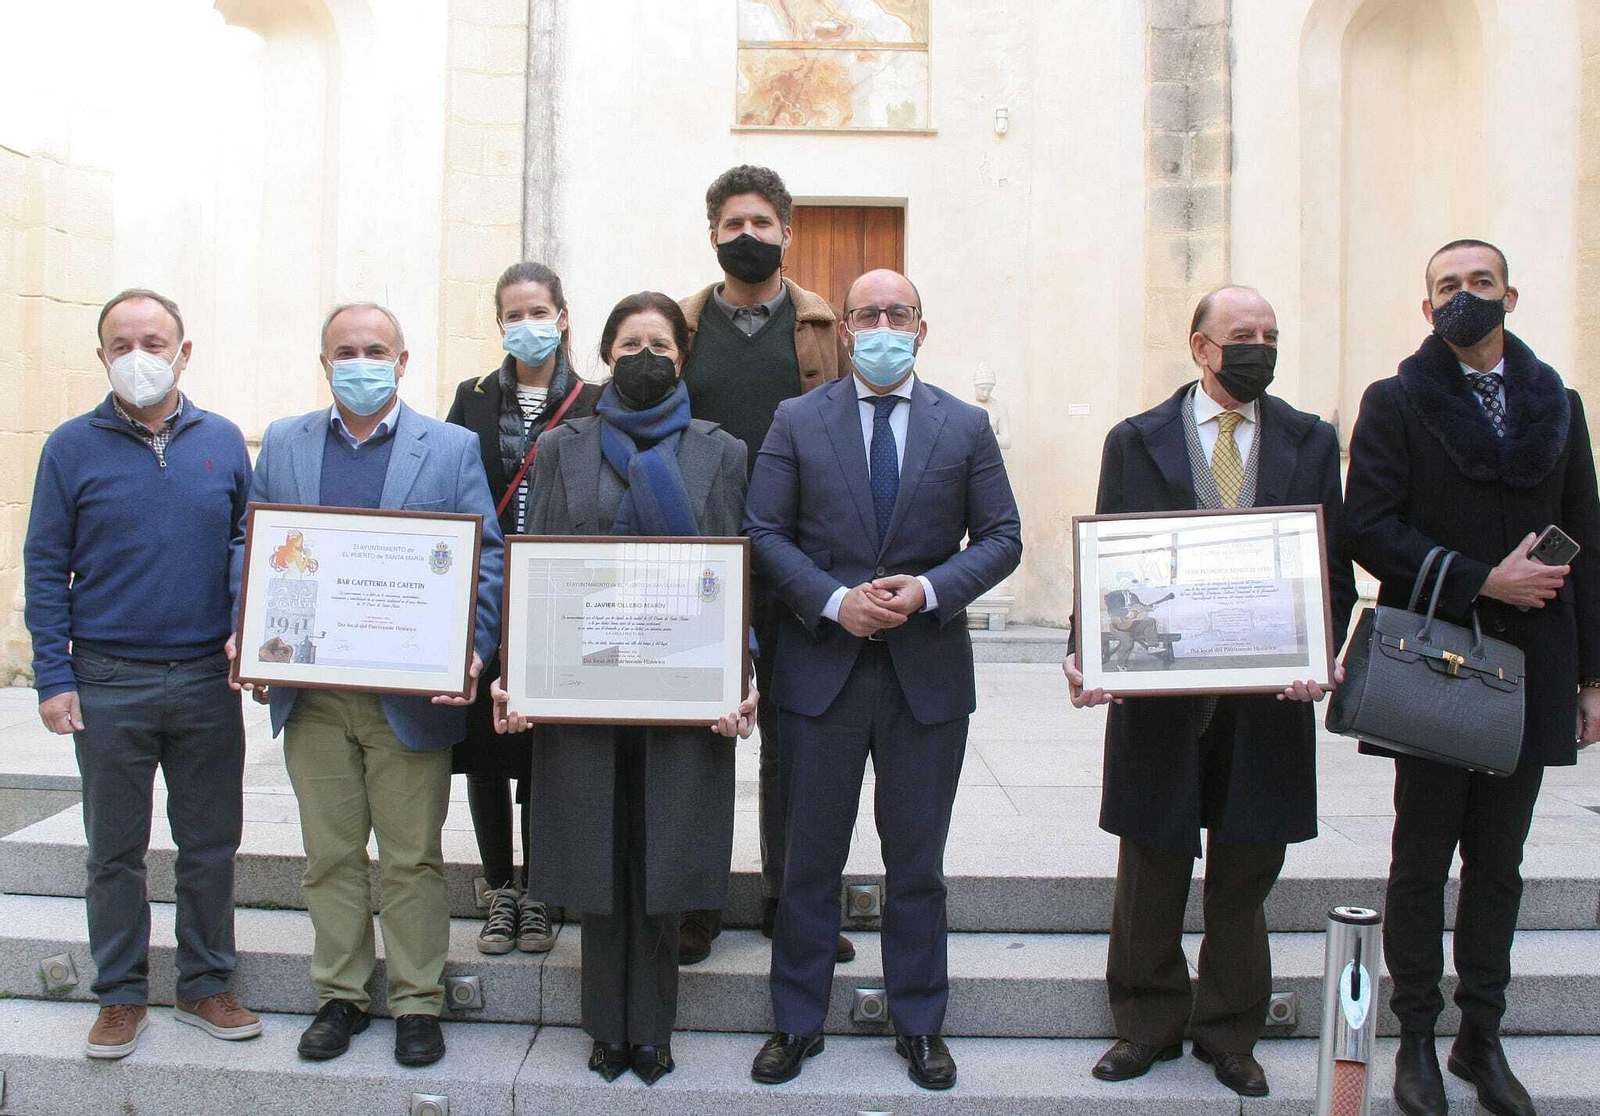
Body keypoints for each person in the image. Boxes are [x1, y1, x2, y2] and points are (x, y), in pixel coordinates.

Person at [1064, 285, 1357, 1099]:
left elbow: (1330, 575)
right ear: (1200, 347)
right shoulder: (1136, 440)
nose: (1258, 346)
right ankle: (1148, 1024)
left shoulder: (1308, 439)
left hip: (1267, 698)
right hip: (1162, 696)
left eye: (1269, 333)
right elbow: (1109, 561)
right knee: (1151, 861)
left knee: (1245, 868)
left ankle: (1231, 1032)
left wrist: (1322, 652)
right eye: (1241, 335)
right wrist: (1086, 652)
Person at [744, 269, 1022, 1090]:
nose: (880, 324)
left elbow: (1002, 536)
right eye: (865, 313)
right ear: (845, 330)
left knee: (917, 865)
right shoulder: (797, 420)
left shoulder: (964, 426)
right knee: (808, 865)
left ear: (921, 329)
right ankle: (796, 1022)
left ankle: (920, 1023)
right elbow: (762, 529)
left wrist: (930, 589)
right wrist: (834, 602)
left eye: (897, 312)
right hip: (820, 676)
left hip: (924, 677)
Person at [1343, 240, 1600, 1116]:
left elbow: (1588, 543)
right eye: (1447, 287)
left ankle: (1479, 1040)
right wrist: (1479, 578)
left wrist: (1594, 679)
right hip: (1438, 665)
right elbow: (1369, 528)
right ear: (1426, 310)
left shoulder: (1558, 406)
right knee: (1421, 858)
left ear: (1510, 297)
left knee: (1500, 863)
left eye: (1480, 284)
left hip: (1535, 669)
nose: (1465, 297)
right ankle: (1415, 1035)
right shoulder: (1395, 402)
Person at [490, 292, 756, 1087]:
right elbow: (537, 562)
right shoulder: (563, 445)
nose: (648, 355)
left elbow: (737, 572)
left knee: (663, 855)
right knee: (599, 859)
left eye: (663, 344)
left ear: (683, 356)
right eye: (632, 342)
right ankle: (607, 1027)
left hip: (681, 689)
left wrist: (739, 674)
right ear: (607, 353)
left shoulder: (723, 450)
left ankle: (656, 1028)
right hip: (588, 686)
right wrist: (519, 668)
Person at [237, 302, 502, 1068]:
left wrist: (472, 652)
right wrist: (251, 636)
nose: (361, 362)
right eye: (346, 351)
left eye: (376, 349)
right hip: (313, 694)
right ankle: (341, 995)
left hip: (410, 697)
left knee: (412, 857)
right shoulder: (285, 442)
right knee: (330, 854)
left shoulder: (450, 448)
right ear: (324, 363)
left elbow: (483, 559)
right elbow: (252, 543)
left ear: (403, 360)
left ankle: (418, 1001)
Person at [23, 288, 260, 1059]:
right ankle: (120, 994)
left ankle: (206, 983)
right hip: (107, 678)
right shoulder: (68, 447)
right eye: (121, 343)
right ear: (101, 356)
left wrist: (246, 636)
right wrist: (53, 678)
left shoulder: (223, 441)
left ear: (183, 352)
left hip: (203, 679)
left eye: (154, 342)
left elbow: (247, 550)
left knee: (210, 842)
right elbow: (44, 565)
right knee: (113, 851)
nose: (139, 356)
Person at [675, 163, 848, 966]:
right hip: (699, 563)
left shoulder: (822, 327)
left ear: (788, 232)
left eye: (762, 223)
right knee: (696, 739)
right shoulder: (676, 325)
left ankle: (791, 899)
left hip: (793, 561)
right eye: (732, 225)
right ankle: (693, 902)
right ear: (713, 234)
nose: (747, 237)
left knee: (797, 739)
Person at [445, 262, 601, 956]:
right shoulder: (471, 398)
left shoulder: (596, 400)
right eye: (514, 314)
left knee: (544, 739)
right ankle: (499, 887)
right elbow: (448, 486)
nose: (527, 324)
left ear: (563, 316)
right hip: (487, 591)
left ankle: (540, 888)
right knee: (483, 741)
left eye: (539, 311)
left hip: (562, 596)